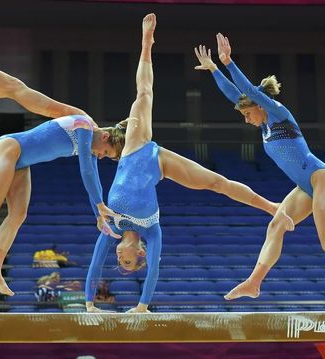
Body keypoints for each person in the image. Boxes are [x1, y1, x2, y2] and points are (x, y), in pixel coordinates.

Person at [85, 14, 280, 314]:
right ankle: (272, 207)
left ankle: (146, 44)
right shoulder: (153, 234)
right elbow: (153, 273)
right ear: (140, 252)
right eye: (125, 261)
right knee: (217, 183)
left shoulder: (110, 225)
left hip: (134, 150)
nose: (119, 257)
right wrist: (142, 306)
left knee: (144, 93)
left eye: (121, 260)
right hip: (159, 163)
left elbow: (95, 262)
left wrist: (88, 304)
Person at [192, 33, 325, 311]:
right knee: (277, 223)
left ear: (260, 106)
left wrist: (228, 63)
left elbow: (249, 92)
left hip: (322, 179)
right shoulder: (264, 126)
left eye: (248, 115)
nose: (246, 120)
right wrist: (213, 69)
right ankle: (254, 282)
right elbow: (237, 96)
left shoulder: (279, 114)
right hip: (305, 187)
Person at [0, 109, 124, 296]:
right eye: (106, 152)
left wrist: (99, 216)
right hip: (10, 147)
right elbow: (86, 171)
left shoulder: (90, 143)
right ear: (105, 136)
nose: (101, 156)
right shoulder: (85, 125)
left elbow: (94, 180)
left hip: (22, 162)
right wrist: (100, 205)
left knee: (19, 215)